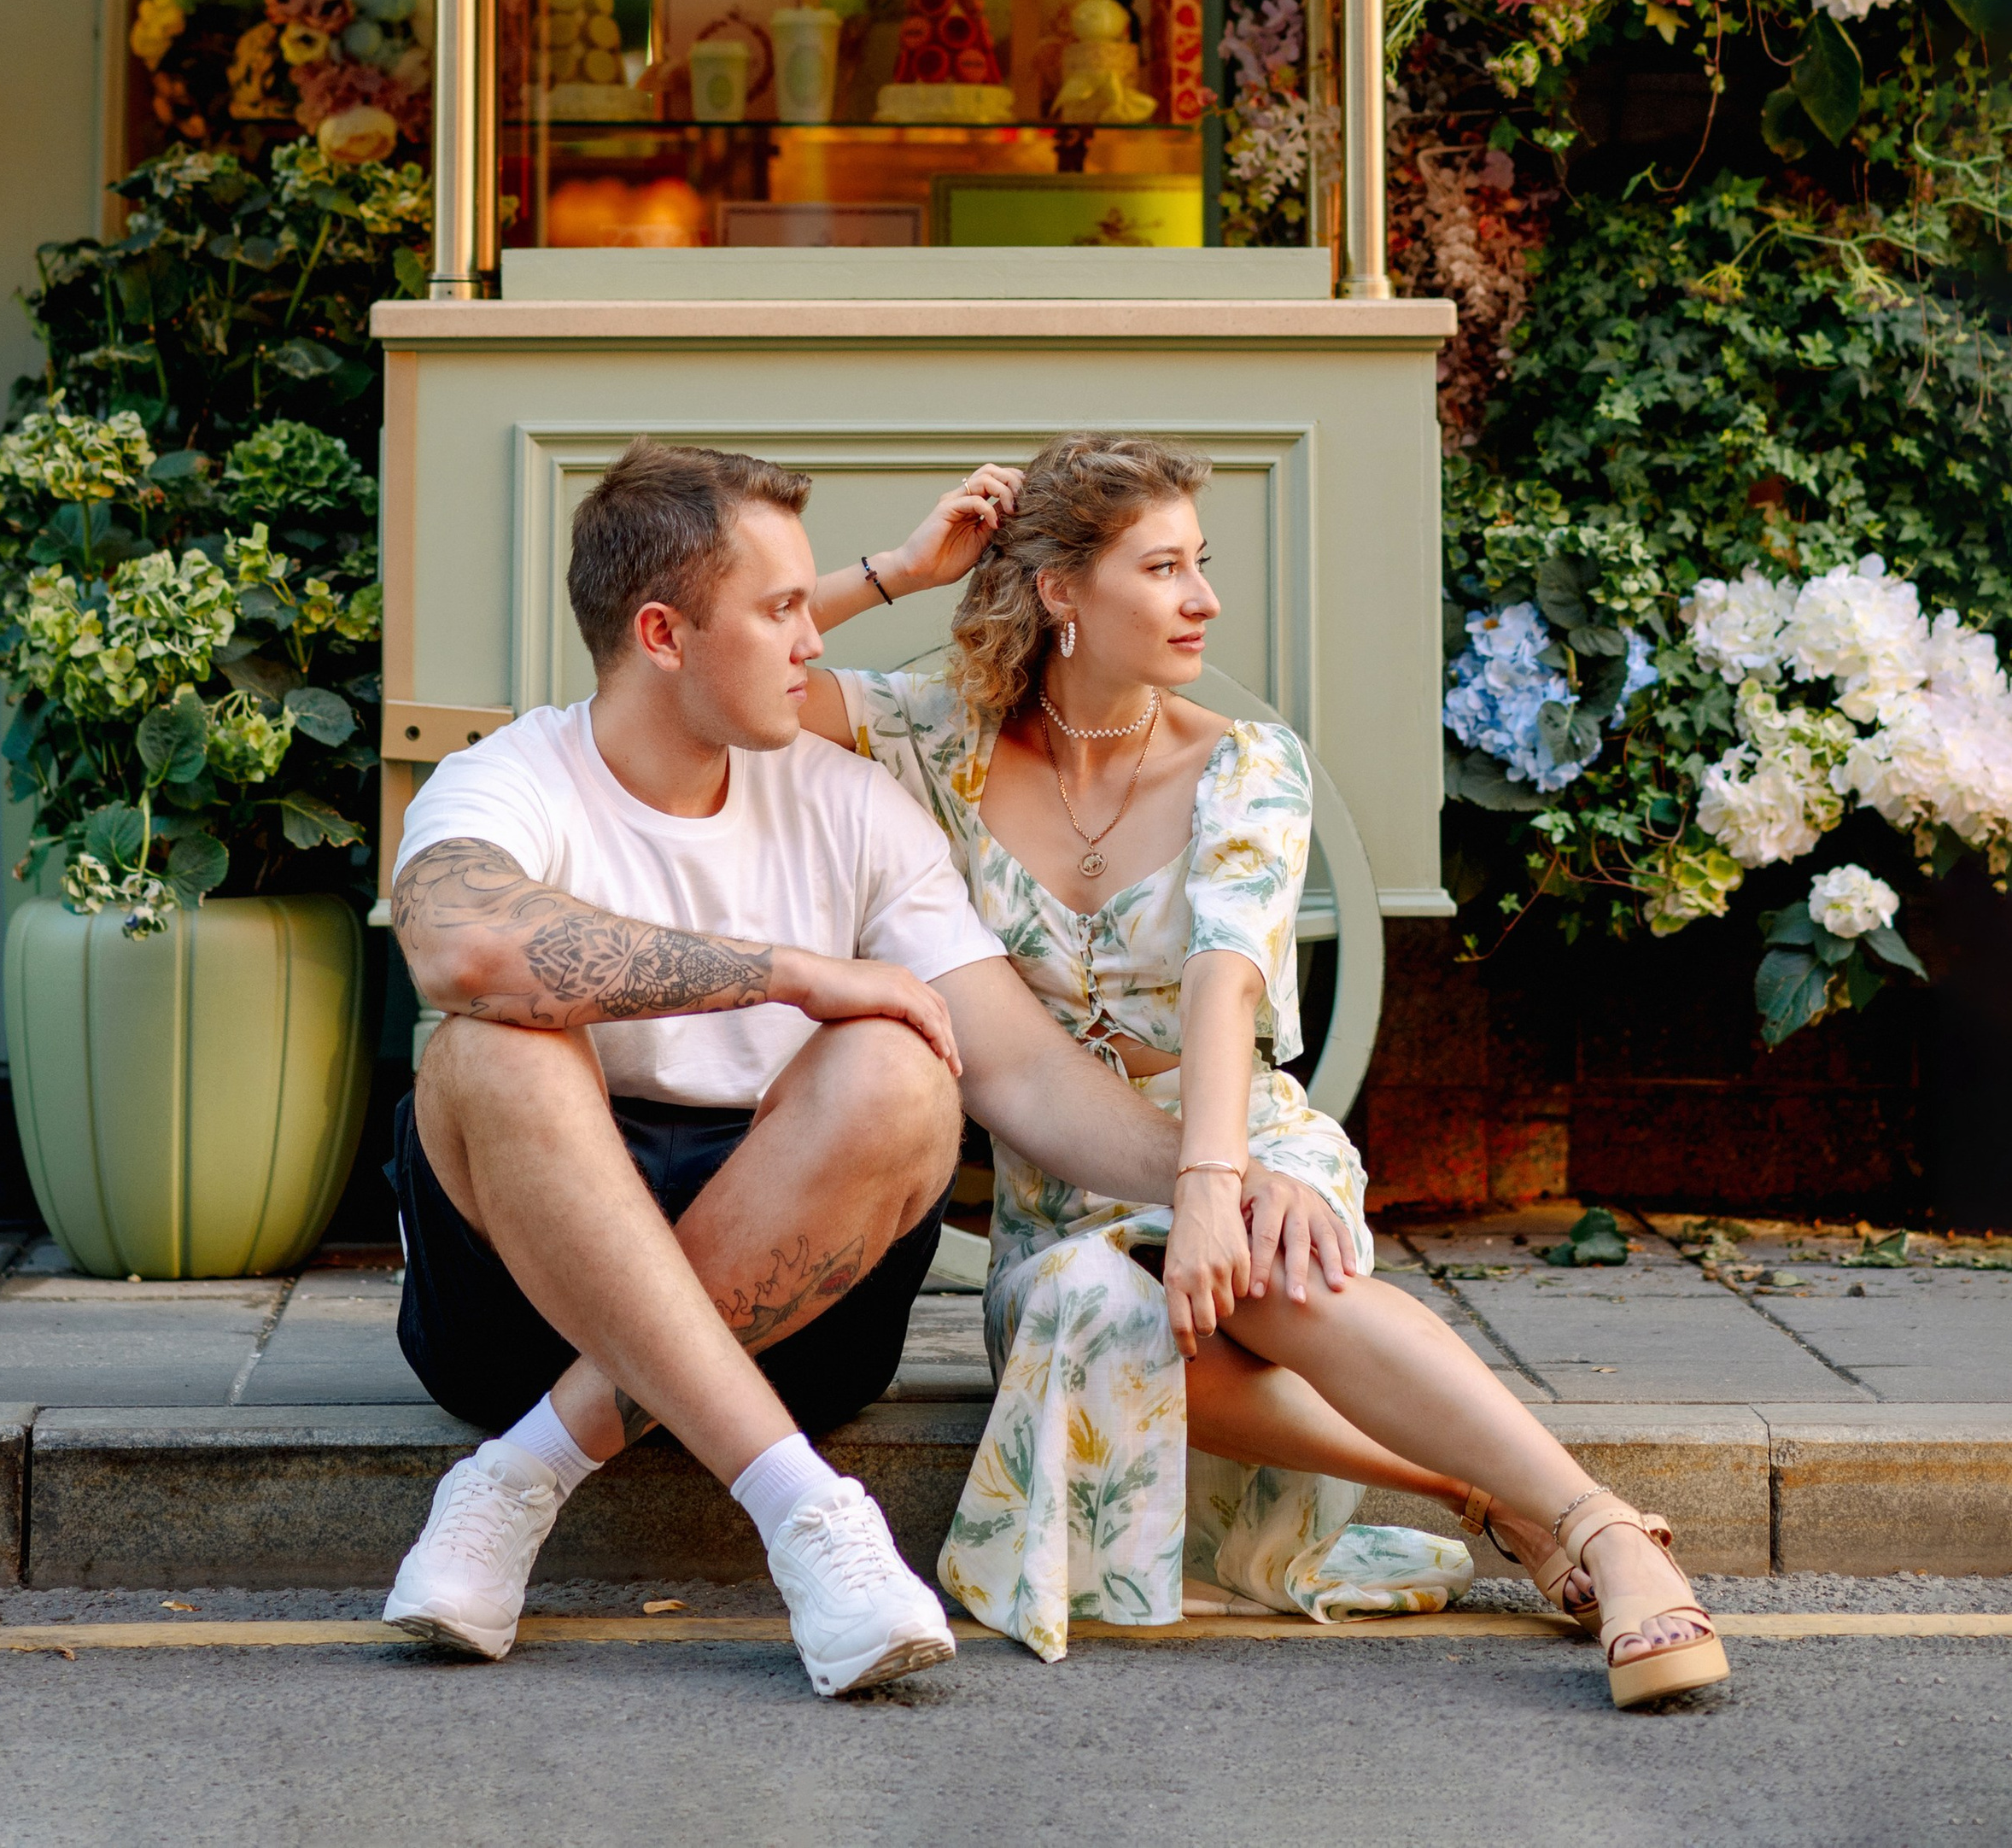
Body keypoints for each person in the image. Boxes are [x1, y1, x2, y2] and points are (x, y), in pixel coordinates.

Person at [804, 433, 1731, 1713]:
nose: (1205, 600)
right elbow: (736, 670)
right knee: (1090, 1300)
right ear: (1062, 592)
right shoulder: (936, 743)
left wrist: (1215, 1180)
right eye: (1165, 567)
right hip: (1059, 1194)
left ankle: (1602, 1532)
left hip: (1235, 1127)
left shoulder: (1246, 763)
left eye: (1205, 564)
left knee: (1270, 1251)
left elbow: (1226, 978)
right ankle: (1478, 1491)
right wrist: (900, 568)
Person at [381, 438, 1264, 1696]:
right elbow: (462, 947)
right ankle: (806, 1509)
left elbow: (1019, 1072)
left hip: (805, 1294)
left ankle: (523, 1475)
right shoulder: (513, 779)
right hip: (519, 1303)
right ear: (664, 634)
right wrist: (794, 971)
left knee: (908, 1067)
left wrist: (1227, 1180)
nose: (817, 641)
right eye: (784, 609)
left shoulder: (848, 803)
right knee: (492, 1050)